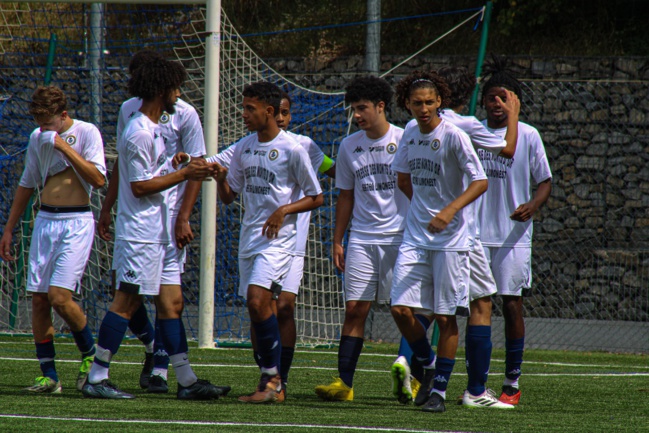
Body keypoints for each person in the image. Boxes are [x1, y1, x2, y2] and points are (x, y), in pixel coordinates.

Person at [81, 57, 223, 400]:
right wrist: (185, 174)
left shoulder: (155, 128)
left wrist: (176, 164)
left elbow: (151, 172)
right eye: (174, 87)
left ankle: (187, 381)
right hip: (140, 233)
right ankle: (97, 378)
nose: (178, 93)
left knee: (172, 303)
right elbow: (140, 187)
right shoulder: (138, 131)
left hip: (158, 232)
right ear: (161, 90)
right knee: (126, 302)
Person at [391, 65, 520, 409]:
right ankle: (429, 367)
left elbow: (481, 180)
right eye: (417, 103)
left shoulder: (455, 133)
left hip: (453, 240)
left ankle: (439, 391)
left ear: (440, 101)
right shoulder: (408, 133)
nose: (423, 108)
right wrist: (422, 209)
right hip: (417, 237)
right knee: (400, 309)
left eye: (429, 102)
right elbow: (403, 178)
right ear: (407, 104)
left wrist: (448, 211)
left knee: (448, 315)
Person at [203, 90, 334, 399]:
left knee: (259, 299)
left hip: (280, 241)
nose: (244, 114)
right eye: (243, 107)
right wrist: (221, 178)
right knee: (256, 307)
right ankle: (270, 381)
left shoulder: (292, 148)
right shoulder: (244, 147)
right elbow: (229, 195)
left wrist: (283, 210)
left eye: (250, 108)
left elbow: (317, 197)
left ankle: (274, 381)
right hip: (249, 239)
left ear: (269, 111)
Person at [0, 85, 106, 394]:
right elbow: (27, 183)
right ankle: (49, 375)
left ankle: (91, 354)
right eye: (39, 123)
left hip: (76, 221)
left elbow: (99, 179)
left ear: (63, 115)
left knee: (60, 297)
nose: (43, 129)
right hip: (45, 220)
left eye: (48, 123)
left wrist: (64, 147)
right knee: (39, 299)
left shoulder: (87, 132)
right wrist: (8, 229)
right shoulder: (37, 138)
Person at [314, 76, 407, 402]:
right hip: (362, 239)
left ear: (381, 106)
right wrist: (338, 240)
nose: (357, 115)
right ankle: (345, 383)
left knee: (407, 310)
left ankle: (414, 376)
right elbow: (345, 196)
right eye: (354, 109)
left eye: (363, 108)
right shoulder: (348, 145)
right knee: (354, 309)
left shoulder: (405, 138)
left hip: (401, 238)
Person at [478, 57, 552, 406]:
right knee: (470, 307)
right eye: (491, 96)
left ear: (515, 101)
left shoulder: (530, 135)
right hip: (474, 236)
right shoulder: (474, 133)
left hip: (513, 237)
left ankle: (511, 382)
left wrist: (534, 205)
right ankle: (468, 381)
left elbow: (545, 182)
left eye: (503, 97)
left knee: (510, 305)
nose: (496, 103)